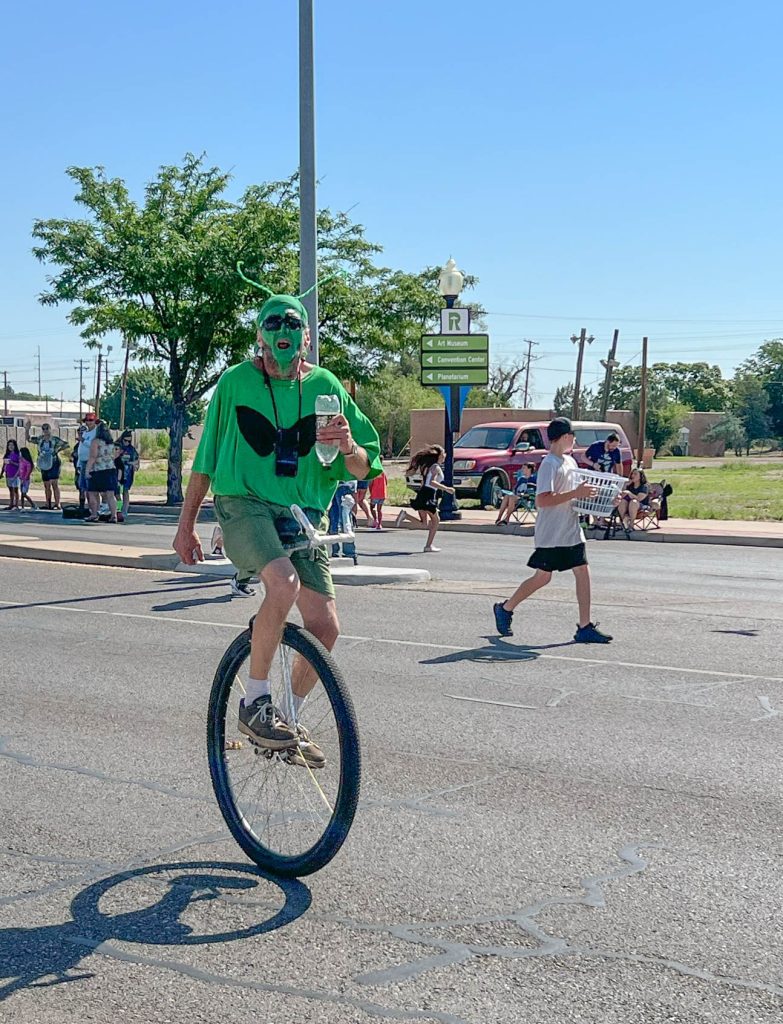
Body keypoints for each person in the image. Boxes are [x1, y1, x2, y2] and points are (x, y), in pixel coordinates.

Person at [172, 284, 381, 765]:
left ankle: (286, 717)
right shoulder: (234, 383)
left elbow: (363, 467)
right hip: (243, 503)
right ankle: (255, 702)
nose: (283, 331)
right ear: (260, 336)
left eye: (293, 324)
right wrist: (186, 526)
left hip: (301, 513)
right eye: (274, 323)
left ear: (306, 337)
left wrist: (349, 447)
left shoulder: (327, 387)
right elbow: (204, 459)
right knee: (282, 583)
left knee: (325, 628)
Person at [493, 417, 613, 644]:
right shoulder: (549, 464)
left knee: (583, 571)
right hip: (551, 533)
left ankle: (584, 626)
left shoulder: (570, 462)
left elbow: (576, 495)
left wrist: (601, 499)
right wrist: (575, 494)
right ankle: (505, 608)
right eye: (573, 436)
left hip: (571, 530)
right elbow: (542, 500)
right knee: (542, 578)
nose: (575, 440)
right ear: (566, 436)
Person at [395, 444, 455, 553]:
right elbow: (432, 482)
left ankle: (405, 515)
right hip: (428, 495)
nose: (445, 456)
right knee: (436, 521)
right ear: (439, 455)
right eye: (443, 454)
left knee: (424, 523)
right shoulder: (435, 467)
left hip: (423, 493)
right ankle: (428, 546)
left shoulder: (427, 467)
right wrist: (447, 489)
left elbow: (424, 482)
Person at [84, 420, 119, 523]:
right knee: (110, 495)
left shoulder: (96, 441)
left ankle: (94, 514)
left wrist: (87, 470)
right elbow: (114, 456)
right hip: (110, 469)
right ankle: (114, 515)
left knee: (92, 492)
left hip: (98, 470)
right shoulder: (111, 443)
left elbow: (93, 457)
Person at [31, 423, 68, 509]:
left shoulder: (55, 439)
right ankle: (48, 503)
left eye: (47, 428)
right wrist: (27, 429)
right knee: (46, 484)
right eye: (43, 429)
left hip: (54, 461)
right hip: (44, 462)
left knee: (54, 483)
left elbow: (66, 444)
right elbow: (29, 439)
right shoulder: (40, 439)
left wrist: (56, 451)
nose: (45, 430)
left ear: (50, 429)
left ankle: (57, 503)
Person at [114, 430, 140, 521]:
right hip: (117, 473)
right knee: (116, 493)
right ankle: (118, 509)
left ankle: (123, 510)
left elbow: (136, 460)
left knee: (125, 491)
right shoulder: (117, 446)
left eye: (129, 441)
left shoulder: (131, 449)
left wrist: (132, 463)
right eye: (125, 440)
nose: (127, 443)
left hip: (127, 474)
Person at [328, 481, 357, 561]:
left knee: (334, 520)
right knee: (345, 519)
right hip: (345, 485)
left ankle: (335, 551)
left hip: (334, 483)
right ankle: (349, 553)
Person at [617, 467, 649, 532]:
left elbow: (639, 498)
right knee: (622, 501)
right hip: (627, 505)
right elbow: (621, 495)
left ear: (640, 476)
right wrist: (625, 486)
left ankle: (631, 525)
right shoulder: (630, 486)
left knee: (633, 502)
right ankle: (623, 522)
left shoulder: (644, 486)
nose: (632, 476)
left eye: (635, 474)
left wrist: (629, 493)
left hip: (641, 505)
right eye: (632, 474)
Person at [77, 413, 98, 510]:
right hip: (82, 462)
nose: (88, 422)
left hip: (91, 462)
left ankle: (93, 509)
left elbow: (94, 446)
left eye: (91, 420)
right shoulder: (85, 432)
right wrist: (78, 464)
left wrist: (83, 440)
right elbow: (80, 449)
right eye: (87, 420)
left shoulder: (96, 432)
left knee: (91, 488)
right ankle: (85, 508)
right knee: (83, 487)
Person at [1, 439, 21, 510]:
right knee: (10, 489)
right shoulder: (7, 454)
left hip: (15, 474)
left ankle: (16, 505)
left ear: (15, 446)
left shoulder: (18, 454)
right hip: (8, 474)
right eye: (9, 445)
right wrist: (2, 473)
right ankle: (11, 504)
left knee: (16, 489)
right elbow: (4, 464)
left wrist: (12, 463)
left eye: (12, 445)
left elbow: (20, 465)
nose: (11, 446)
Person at [368, 459, 388, 529]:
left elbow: (370, 483)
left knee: (371, 507)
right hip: (382, 493)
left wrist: (370, 491)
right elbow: (386, 481)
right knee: (379, 509)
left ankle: (375, 520)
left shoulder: (374, 472)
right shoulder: (383, 472)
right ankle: (379, 523)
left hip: (375, 493)